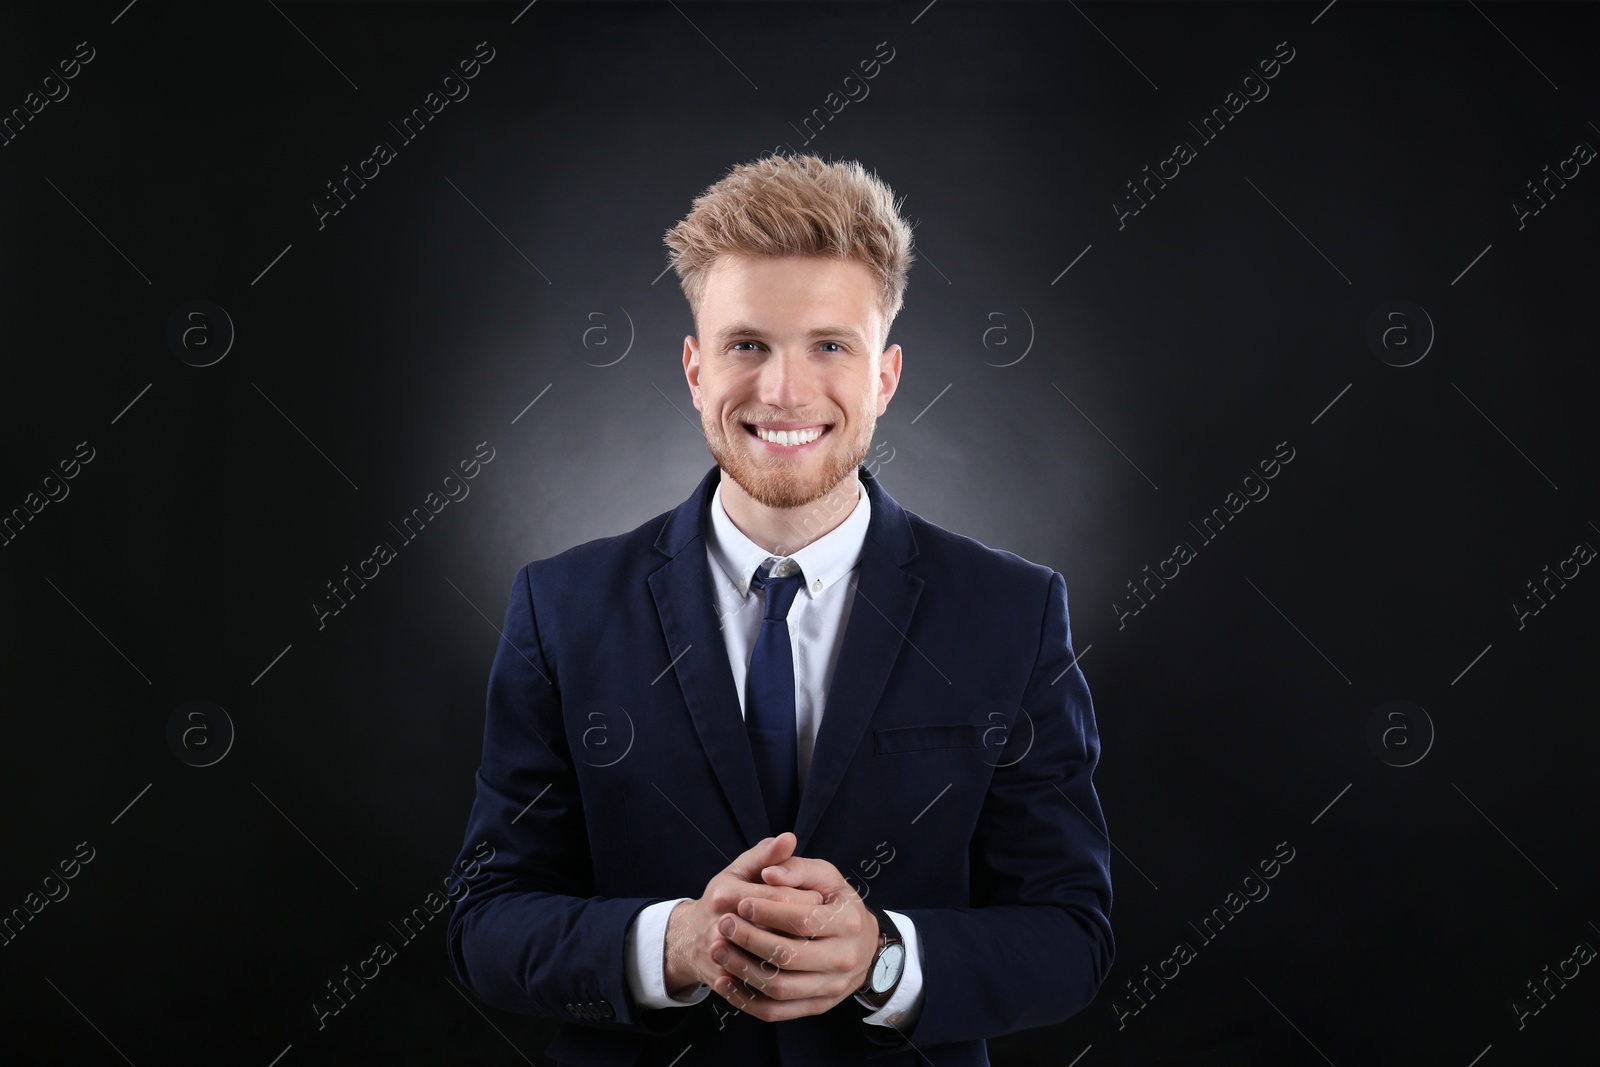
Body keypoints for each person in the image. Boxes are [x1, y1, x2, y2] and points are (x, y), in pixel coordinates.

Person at [445, 154, 1113, 1066]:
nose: (785, 391)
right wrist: (672, 945)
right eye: (746, 343)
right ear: (694, 367)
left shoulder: (1014, 612)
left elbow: (1073, 935)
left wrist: (882, 960)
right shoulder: (559, 608)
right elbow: (484, 919)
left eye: (830, 345)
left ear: (886, 375)